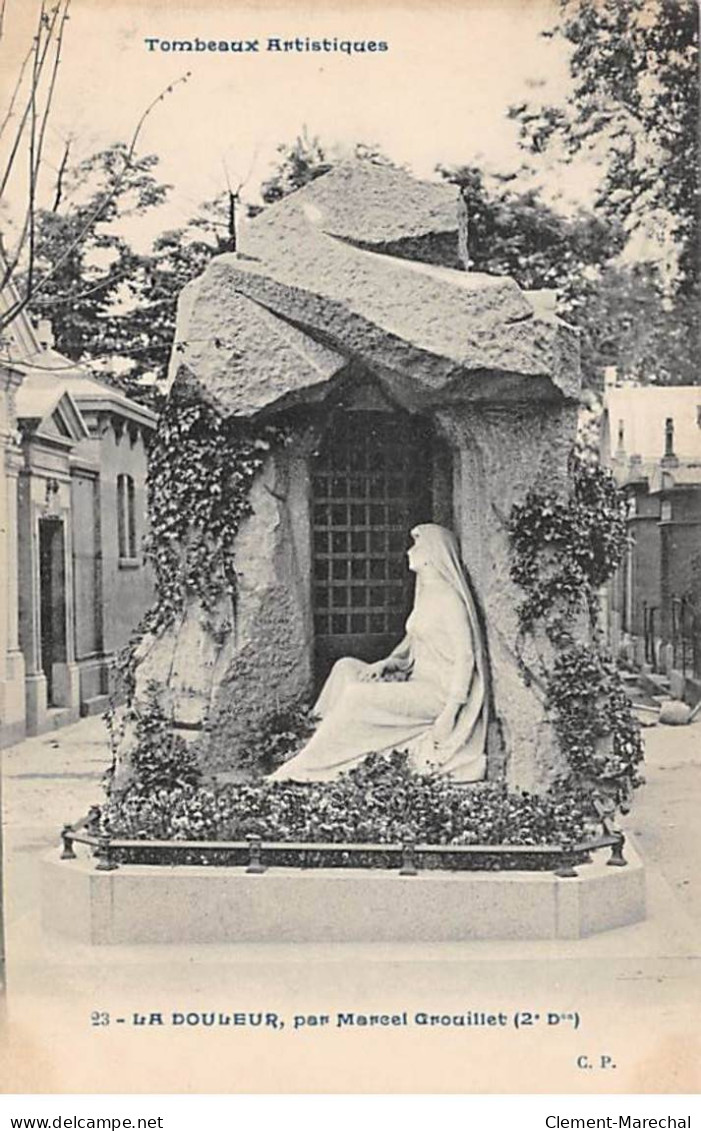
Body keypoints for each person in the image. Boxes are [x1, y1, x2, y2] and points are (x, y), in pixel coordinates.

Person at [269, 524, 488, 783]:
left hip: (435, 695)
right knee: (346, 669)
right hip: (414, 682)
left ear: (432, 553)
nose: (410, 551)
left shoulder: (450, 601)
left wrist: (450, 713)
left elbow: (466, 658)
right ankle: (309, 742)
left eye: (417, 545)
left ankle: (310, 766)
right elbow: (413, 643)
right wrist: (388, 663)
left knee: (357, 695)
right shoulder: (427, 594)